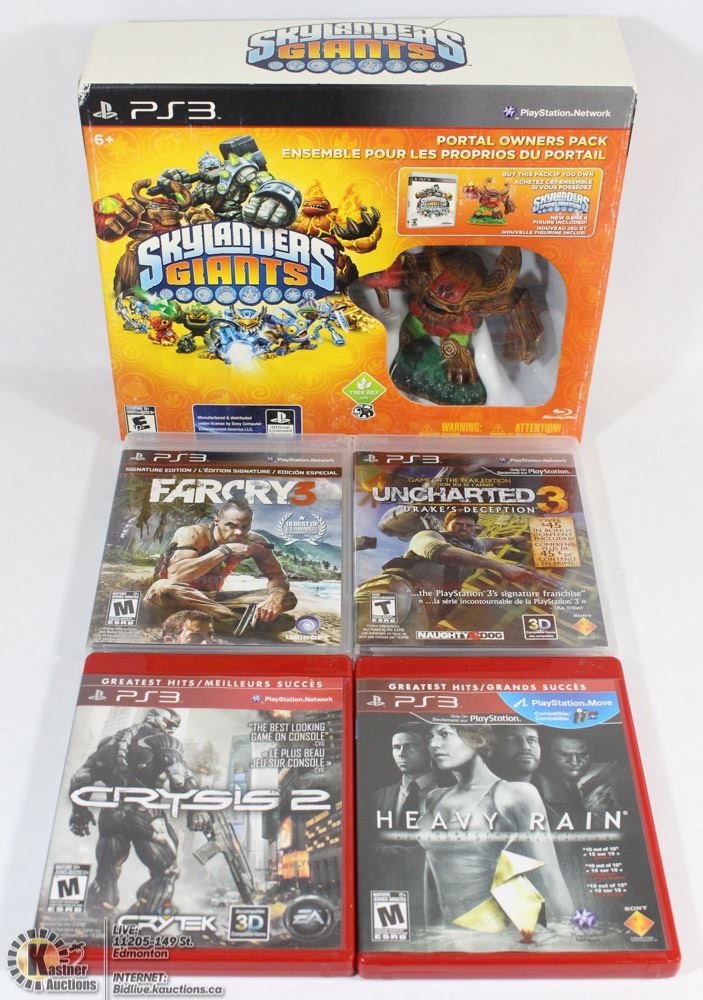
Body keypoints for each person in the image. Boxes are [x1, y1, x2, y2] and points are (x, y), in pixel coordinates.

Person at [418, 722, 572, 933]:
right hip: (451, 935)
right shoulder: (434, 798)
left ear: (477, 739)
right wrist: (431, 937)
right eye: (430, 737)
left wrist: (573, 933)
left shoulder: (516, 794)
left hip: (503, 932)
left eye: (444, 734)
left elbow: (551, 876)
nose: (434, 744)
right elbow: (432, 876)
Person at [69, 708, 211, 914]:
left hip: (110, 818)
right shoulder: (164, 742)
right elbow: (179, 779)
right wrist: (197, 809)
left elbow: (80, 778)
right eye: (169, 724)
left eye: (174, 726)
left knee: (106, 874)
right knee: (167, 873)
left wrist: (79, 812)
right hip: (145, 816)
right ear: (155, 719)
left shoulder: (109, 743)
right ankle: (142, 922)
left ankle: (98, 921)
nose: (171, 729)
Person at [355, 507, 538, 635]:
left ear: (474, 528)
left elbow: (494, 541)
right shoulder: (429, 535)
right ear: (447, 525)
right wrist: (501, 566)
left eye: (469, 526)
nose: (463, 528)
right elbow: (440, 552)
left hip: (428, 610)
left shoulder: (477, 545)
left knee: (400, 654)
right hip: (399, 589)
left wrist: (516, 539)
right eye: (458, 524)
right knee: (365, 634)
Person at [144, 496, 296, 631]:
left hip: (210, 601)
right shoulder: (192, 533)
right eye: (231, 525)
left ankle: (221, 619)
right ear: (216, 520)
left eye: (245, 527)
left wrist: (275, 598)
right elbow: (176, 576)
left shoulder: (255, 542)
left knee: (287, 597)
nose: (239, 532)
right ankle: (236, 622)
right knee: (163, 587)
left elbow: (278, 576)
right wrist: (225, 550)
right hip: (172, 598)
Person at [368, 726, 438, 932]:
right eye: (396, 747)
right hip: (390, 892)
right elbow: (364, 845)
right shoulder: (377, 798)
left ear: (429, 748)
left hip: (437, 893)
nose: (401, 753)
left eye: (410, 746)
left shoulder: (452, 792)